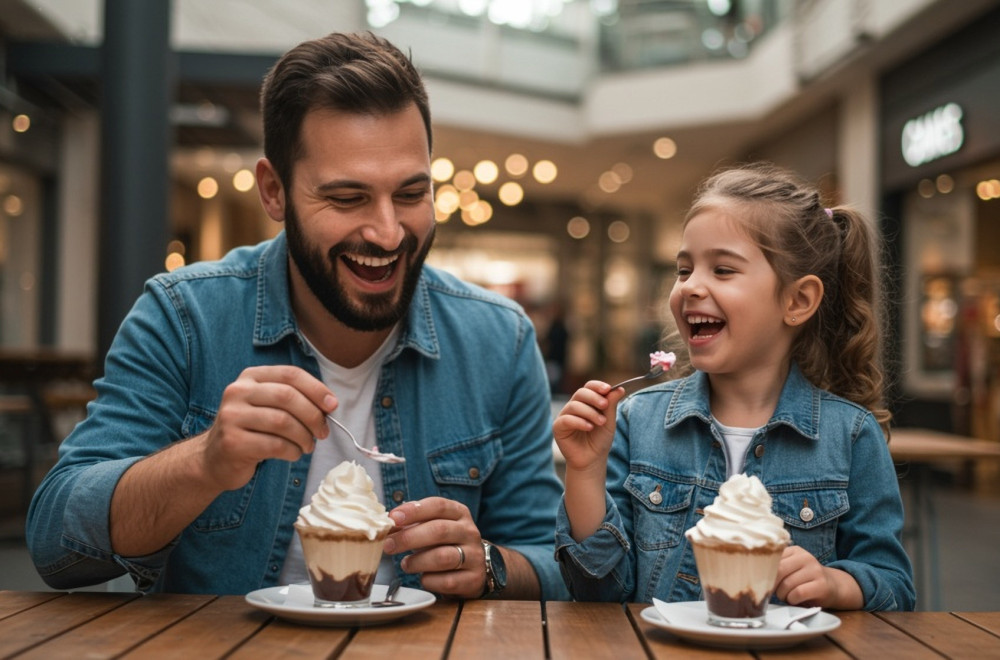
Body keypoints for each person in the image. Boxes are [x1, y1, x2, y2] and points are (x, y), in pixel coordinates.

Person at [26, 31, 568, 601]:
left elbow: (551, 563)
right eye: (347, 198)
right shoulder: (184, 317)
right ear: (274, 192)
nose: (387, 232)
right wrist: (204, 464)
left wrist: (489, 563)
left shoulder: (498, 340)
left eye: (410, 193)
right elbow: (55, 544)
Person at [552, 163, 915, 610]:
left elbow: (895, 588)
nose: (690, 287)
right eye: (683, 271)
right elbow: (598, 590)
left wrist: (836, 583)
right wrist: (584, 473)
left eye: (723, 270)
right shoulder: (636, 420)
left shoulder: (852, 436)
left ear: (797, 300)